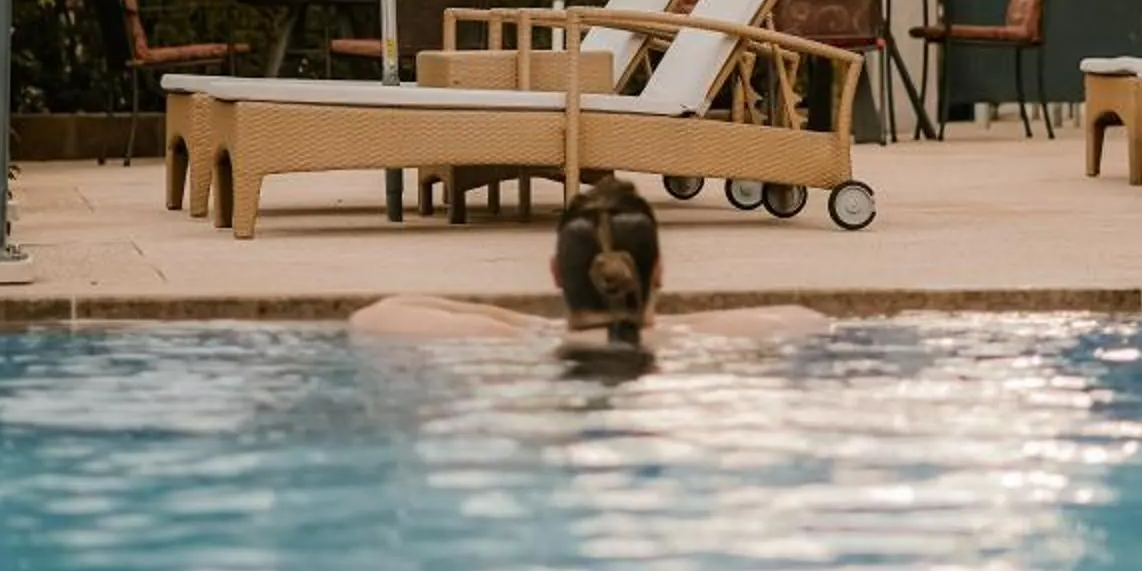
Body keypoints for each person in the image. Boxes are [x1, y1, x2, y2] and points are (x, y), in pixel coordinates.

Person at [346, 177, 828, 346]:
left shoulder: (513, 342)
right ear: (658, 270)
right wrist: (668, 325)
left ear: (556, 273)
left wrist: (531, 325)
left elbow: (375, 315)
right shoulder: (692, 341)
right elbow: (809, 321)